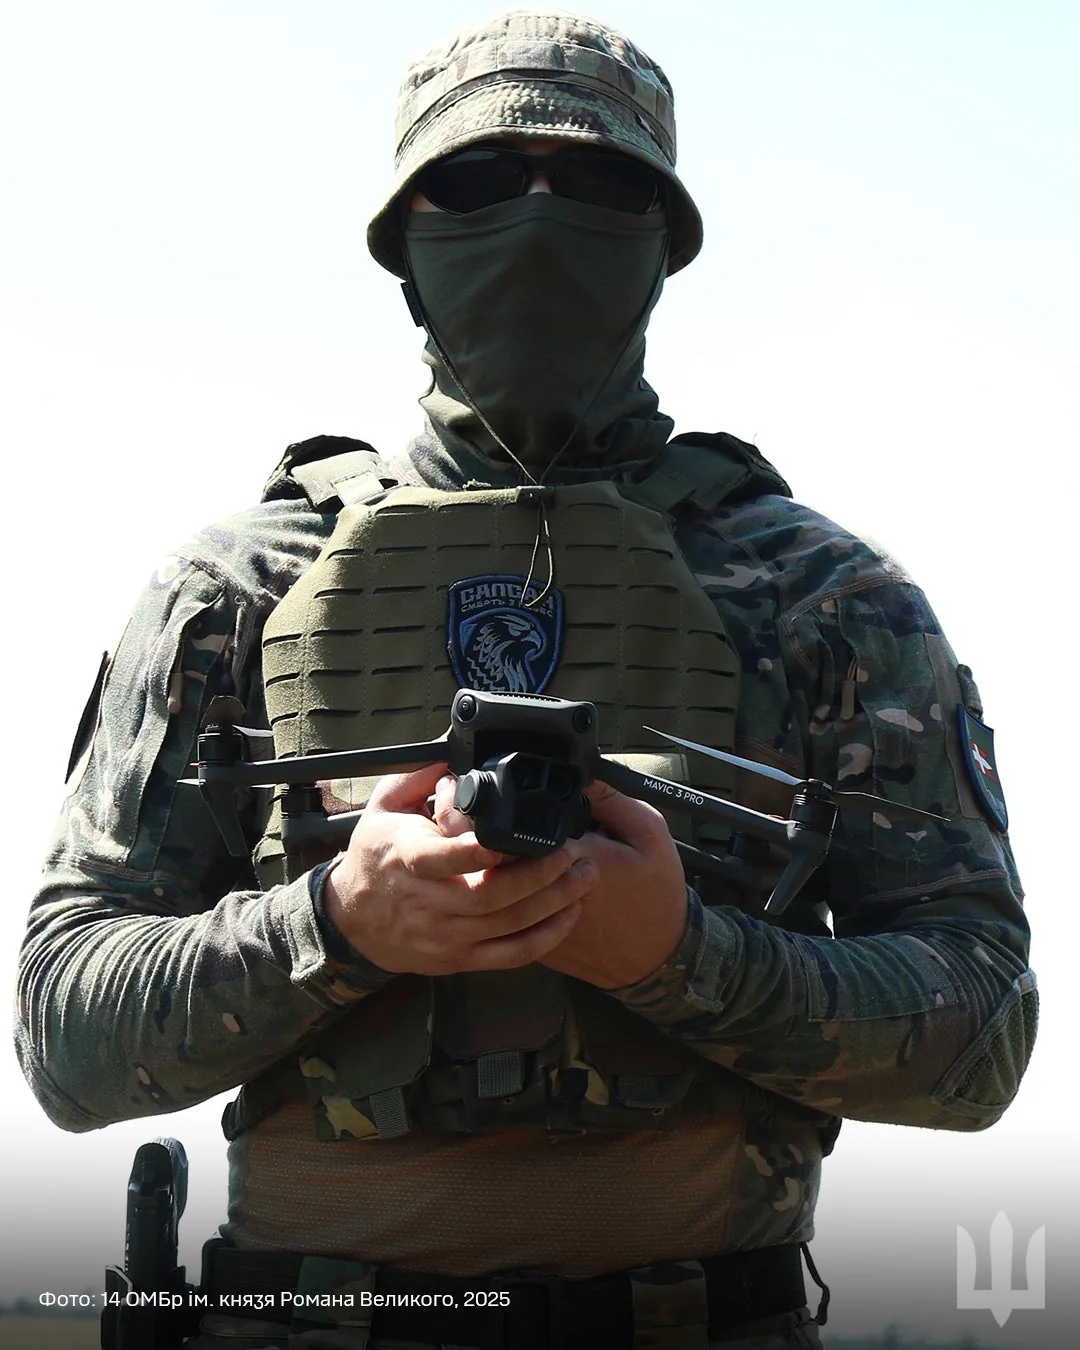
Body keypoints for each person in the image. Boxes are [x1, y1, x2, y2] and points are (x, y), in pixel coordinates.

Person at [16, 10, 1035, 1350]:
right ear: (404, 243)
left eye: (598, 183)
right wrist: (336, 923)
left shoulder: (820, 595)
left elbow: (981, 1027)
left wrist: (679, 956)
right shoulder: (242, 587)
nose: (542, 217)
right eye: (485, 181)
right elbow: (65, 1031)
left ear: (663, 242)